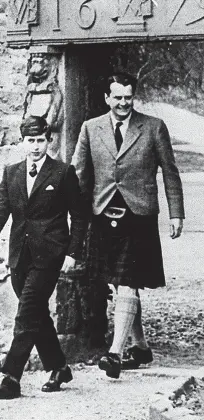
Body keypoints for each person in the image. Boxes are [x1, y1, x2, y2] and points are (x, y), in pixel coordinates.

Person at [71, 72, 184, 379]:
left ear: (134, 97)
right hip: (103, 214)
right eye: (117, 97)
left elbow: (170, 172)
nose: (123, 103)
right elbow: (78, 174)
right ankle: (141, 346)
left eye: (128, 97)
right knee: (119, 283)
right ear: (107, 98)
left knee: (127, 281)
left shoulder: (153, 127)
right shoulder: (90, 128)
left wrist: (176, 213)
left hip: (139, 215)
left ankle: (115, 354)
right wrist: (72, 214)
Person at [0, 115, 88, 398]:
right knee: (37, 313)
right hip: (19, 255)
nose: (36, 146)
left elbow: (78, 215)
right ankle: (59, 366)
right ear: (22, 142)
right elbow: (0, 208)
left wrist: (73, 252)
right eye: (31, 141)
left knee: (27, 312)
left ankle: (11, 377)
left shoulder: (63, 172)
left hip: (49, 254)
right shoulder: (11, 172)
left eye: (41, 140)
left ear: (49, 140)